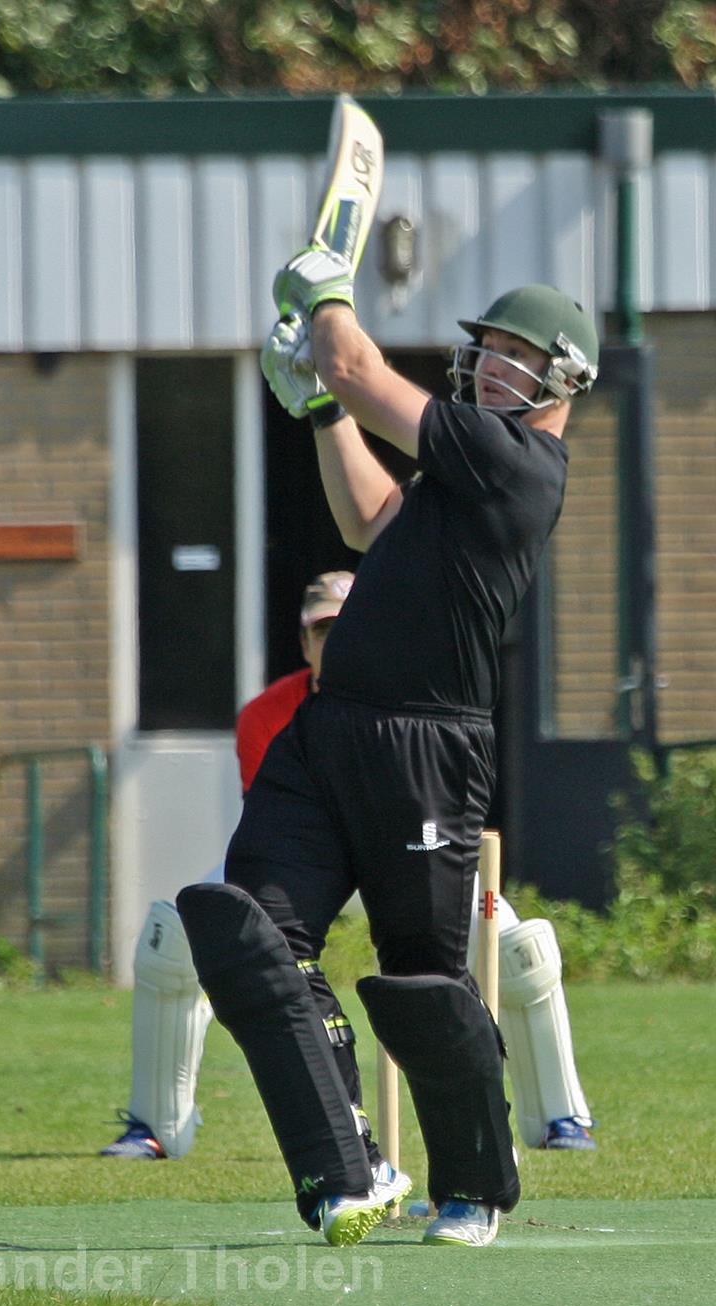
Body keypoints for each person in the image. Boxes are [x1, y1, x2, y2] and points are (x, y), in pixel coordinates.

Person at [177, 252, 599, 1250]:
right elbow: (369, 517)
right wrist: (323, 412)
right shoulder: (458, 469)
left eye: (515, 353)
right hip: (328, 731)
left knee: (421, 982)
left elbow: (360, 365)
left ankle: (473, 1188)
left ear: (564, 377)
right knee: (249, 933)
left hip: (429, 746)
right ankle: (347, 1165)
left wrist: (328, 293)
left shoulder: (518, 463)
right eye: (485, 348)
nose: (489, 365)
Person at [103, 574, 596, 1164]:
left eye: (349, 628)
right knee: (175, 936)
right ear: (305, 643)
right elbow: (275, 825)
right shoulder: (267, 714)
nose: (336, 643)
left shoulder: (417, 699)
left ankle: (560, 1117)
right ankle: (156, 1125)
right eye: (323, 631)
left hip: (405, 855)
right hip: (307, 864)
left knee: (516, 950)